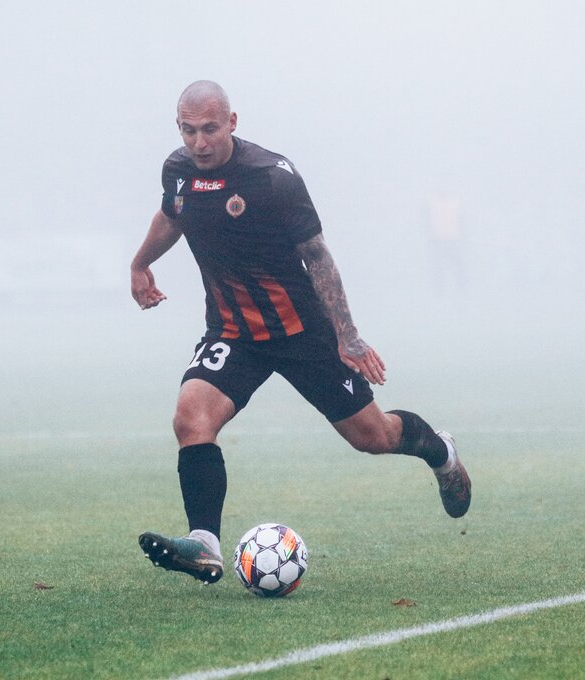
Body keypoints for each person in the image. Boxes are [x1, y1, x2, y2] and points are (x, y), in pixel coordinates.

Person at [131, 81, 470, 584]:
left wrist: (347, 335)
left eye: (209, 129)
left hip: (302, 332)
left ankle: (441, 452)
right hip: (233, 332)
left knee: (373, 437)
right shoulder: (178, 171)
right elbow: (172, 214)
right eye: (188, 130)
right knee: (190, 418)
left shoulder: (272, 177)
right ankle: (204, 543)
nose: (199, 142)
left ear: (232, 123)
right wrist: (141, 263)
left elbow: (317, 256)